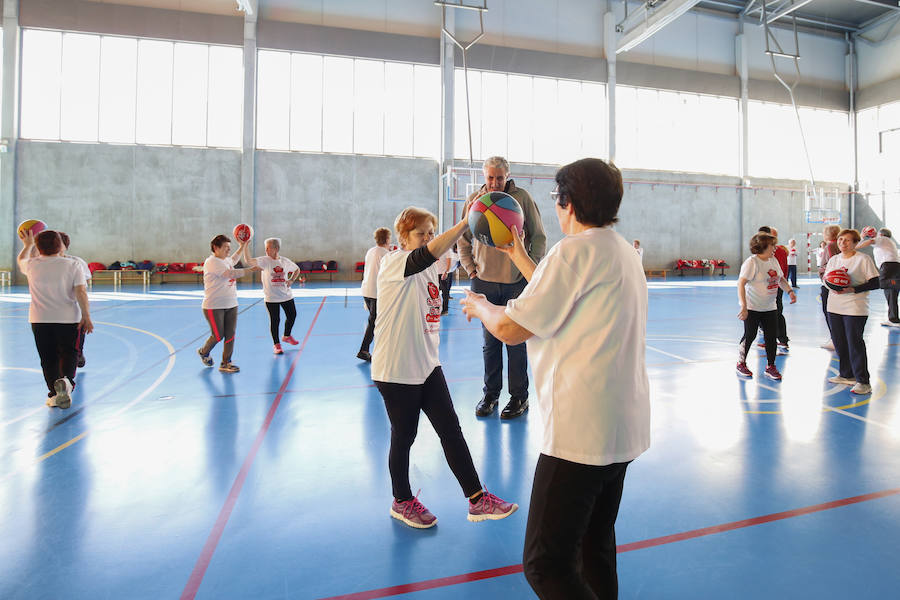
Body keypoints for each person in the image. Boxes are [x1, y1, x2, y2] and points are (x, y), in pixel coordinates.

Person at [461, 158, 649, 599]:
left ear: (567, 203)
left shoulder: (574, 251)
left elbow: (511, 328)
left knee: (545, 564)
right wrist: (519, 256)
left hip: (580, 433)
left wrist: (481, 306)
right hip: (619, 428)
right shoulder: (619, 250)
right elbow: (558, 295)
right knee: (594, 546)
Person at [372, 206, 517, 529]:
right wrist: (468, 221)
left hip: (427, 364)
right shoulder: (394, 263)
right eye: (420, 233)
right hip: (396, 369)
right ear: (403, 237)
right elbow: (427, 254)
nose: (427, 238)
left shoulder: (430, 269)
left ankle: (478, 499)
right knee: (404, 436)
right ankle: (402, 500)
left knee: (451, 431)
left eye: (430, 232)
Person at [458, 156, 547, 419]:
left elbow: (539, 236)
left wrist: (528, 268)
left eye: (500, 177)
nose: (495, 182)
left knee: (515, 342)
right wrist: (471, 268)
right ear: (484, 177)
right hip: (483, 281)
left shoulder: (522, 199)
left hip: (516, 281)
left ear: (507, 175)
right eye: (490, 178)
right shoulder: (475, 200)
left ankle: (519, 397)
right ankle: (491, 395)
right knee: (490, 343)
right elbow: (463, 237)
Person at [17, 229, 93, 409]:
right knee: (69, 353)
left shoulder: (32, 264)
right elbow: (81, 291)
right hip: (68, 318)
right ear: (60, 245)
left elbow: (21, 259)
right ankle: (66, 382)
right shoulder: (72, 264)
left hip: (39, 319)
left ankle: (53, 393)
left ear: (38, 247)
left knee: (47, 358)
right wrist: (86, 316)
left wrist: (27, 245)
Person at [824, 229, 880, 395]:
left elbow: (876, 282)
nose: (843, 243)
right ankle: (846, 375)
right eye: (841, 239)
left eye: (847, 240)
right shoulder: (834, 259)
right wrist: (832, 286)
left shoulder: (863, 259)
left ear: (856, 243)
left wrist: (852, 289)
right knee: (839, 342)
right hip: (834, 307)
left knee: (854, 343)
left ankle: (863, 381)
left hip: (855, 307)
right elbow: (827, 280)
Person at [736, 232, 796, 381]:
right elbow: (741, 284)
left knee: (771, 337)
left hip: (770, 307)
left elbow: (780, 279)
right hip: (753, 307)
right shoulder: (752, 263)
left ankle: (771, 366)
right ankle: (741, 363)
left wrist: (789, 291)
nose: (775, 248)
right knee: (750, 335)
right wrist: (743, 306)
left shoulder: (773, 260)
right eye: (772, 245)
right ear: (762, 246)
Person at [198, 234, 255, 373]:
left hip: (231, 303)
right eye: (226, 248)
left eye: (230, 248)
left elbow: (233, 259)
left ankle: (226, 363)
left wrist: (242, 246)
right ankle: (204, 351)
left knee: (230, 334)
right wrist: (250, 270)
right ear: (216, 248)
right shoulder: (212, 262)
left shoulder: (225, 260)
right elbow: (230, 273)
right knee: (218, 335)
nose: (228, 250)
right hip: (213, 305)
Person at [243, 237, 303, 355]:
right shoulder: (264, 260)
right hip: (271, 298)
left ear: (276, 249)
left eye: (268, 248)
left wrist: (291, 280)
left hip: (286, 295)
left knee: (292, 315)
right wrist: (245, 246)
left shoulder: (285, 261)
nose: (266, 250)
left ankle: (286, 336)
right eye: (265, 248)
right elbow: (248, 260)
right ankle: (277, 345)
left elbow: (297, 270)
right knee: (275, 320)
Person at [357, 227, 392, 362]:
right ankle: (364, 350)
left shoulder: (371, 251)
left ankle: (367, 349)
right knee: (376, 322)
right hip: (377, 292)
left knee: (375, 321)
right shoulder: (386, 254)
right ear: (387, 239)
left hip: (366, 290)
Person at [59, 231, 92, 368]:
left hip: (73, 305)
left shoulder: (76, 262)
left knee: (76, 333)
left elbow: (85, 283)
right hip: (51, 308)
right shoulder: (41, 262)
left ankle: (78, 353)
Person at [856, 228, 900, 327]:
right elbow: (871, 241)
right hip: (893, 266)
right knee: (890, 293)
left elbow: (870, 241)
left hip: (888, 265)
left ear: (881, 234)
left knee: (881, 283)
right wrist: (863, 237)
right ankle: (894, 319)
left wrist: (856, 247)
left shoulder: (883, 239)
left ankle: (898, 283)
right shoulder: (885, 243)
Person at [818, 225, 841, 350]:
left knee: (829, 312)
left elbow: (833, 261)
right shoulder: (838, 244)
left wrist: (824, 273)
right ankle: (837, 338)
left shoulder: (830, 246)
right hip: (836, 282)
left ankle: (835, 339)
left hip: (829, 283)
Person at [439, 244, 459, 316]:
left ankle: (445, 310)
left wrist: (446, 272)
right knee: (435, 292)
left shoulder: (447, 250)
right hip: (436, 273)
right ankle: (437, 308)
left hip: (444, 273)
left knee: (445, 293)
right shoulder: (437, 250)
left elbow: (449, 262)